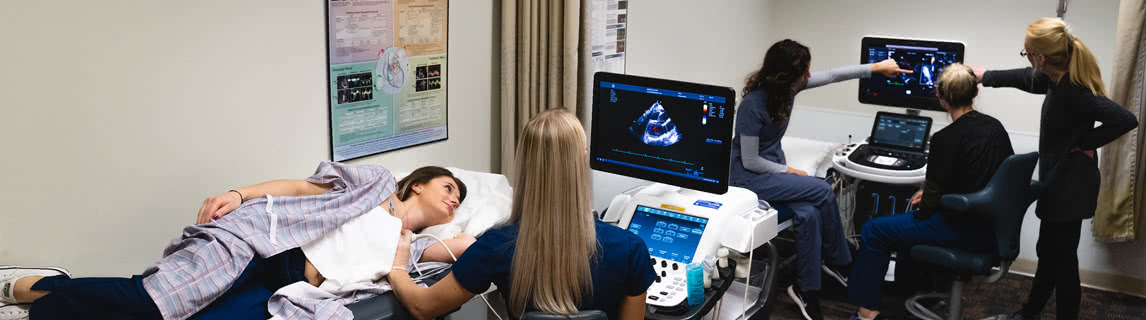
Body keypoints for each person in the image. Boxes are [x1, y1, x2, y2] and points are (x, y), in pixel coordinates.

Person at [0, 165, 473, 320]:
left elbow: (468, 247)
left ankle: (49, 297)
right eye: (449, 187)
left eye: (460, 198)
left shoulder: (408, 251)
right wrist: (238, 194)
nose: (454, 199)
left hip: (286, 289)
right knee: (152, 304)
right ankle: (30, 287)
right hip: (261, 243)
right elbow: (303, 189)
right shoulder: (376, 183)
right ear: (419, 184)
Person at [386, 109, 656, 320]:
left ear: (525, 166)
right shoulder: (630, 250)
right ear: (581, 161)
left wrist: (398, 268)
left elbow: (423, 308)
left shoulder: (496, 246)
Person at [731, 39, 911, 320]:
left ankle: (807, 289)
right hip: (747, 177)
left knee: (809, 213)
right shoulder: (753, 105)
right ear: (790, 74)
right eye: (806, 69)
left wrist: (876, 67)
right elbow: (751, 160)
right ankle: (841, 261)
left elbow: (835, 75)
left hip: (770, 172)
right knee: (822, 191)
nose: (810, 74)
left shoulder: (790, 89)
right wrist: (789, 172)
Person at [973, 18, 1137, 320]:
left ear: (1041, 58)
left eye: (1027, 53)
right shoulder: (1055, 79)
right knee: (1050, 255)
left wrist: (1085, 141)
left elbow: (1126, 119)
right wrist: (986, 76)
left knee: (1062, 263)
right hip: (1059, 181)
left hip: (1070, 187)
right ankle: (1029, 313)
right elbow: (1027, 79)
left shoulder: (1072, 90)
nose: (1026, 59)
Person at [845, 64, 1014, 320]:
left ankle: (866, 313)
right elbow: (993, 179)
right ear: (975, 93)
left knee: (874, 230)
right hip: (992, 229)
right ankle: (910, 291)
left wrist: (933, 196)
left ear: (941, 97)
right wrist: (942, 192)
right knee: (903, 223)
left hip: (962, 229)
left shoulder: (944, 139)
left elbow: (927, 211)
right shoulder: (995, 127)